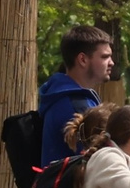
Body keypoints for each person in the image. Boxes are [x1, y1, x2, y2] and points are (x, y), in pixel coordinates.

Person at [37, 26, 112, 177]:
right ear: (83, 60)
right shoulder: (75, 106)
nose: (111, 63)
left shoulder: (63, 97)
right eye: (104, 57)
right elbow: (104, 166)